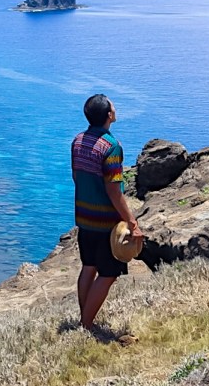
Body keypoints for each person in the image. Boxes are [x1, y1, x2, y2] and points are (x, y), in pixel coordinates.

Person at [71, 93, 143, 331]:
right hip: (105, 223)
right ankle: (87, 323)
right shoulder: (112, 147)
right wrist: (132, 223)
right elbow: (114, 190)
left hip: (84, 217)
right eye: (113, 106)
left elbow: (76, 177)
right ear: (109, 115)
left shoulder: (78, 141)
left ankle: (85, 319)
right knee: (108, 274)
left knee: (88, 267)